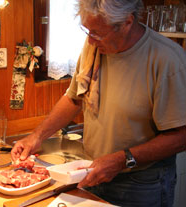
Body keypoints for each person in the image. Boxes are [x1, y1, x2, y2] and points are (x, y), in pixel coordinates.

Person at [11, 0, 186, 206]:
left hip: (141, 183)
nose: (91, 40)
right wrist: (36, 136)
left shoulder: (167, 60)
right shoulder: (95, 47)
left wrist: (122, 159)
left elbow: (181, 136)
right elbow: (74, 98)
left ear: (127, 22)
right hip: (93, 173)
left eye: (97, 33)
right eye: (87, 31)